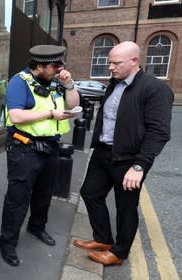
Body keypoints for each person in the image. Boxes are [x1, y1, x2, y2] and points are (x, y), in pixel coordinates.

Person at [73, 41, 173, 266]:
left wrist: (140, 166)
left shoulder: (155, 89)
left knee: (125, 207)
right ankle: (103, 239)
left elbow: (159, 132)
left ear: (134, 61)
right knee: (90, 193)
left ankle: (119, 253)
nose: (110, 67)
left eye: (116, 62)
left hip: (129, 160)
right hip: (103, 152)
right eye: (110, 62)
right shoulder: (114, 84)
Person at [0, 45, 80, 267]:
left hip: (51, 147)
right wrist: (51, 113)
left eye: (61, 65)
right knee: (17, 198)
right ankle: (7, 242)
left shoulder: (55, 82)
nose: (60, 69)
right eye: (55, 66)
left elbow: (74, 104)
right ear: (40, 65)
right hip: (24, 148)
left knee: (44, 194)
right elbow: (15, 116)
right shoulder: (19, 82)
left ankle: (37, 227)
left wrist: (69, 85)